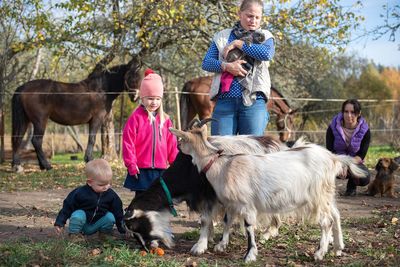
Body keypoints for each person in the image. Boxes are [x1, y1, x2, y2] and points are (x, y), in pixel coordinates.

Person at [202, 0, 275, 136]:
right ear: (239, 14)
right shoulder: (223, 36)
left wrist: (239, 44)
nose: (253, 20)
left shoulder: (265, 36)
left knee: (252, 152)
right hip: (225, 101)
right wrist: (226, 66)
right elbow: (206, 63)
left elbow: (266, 54)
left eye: (257, 17)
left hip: (254, 101)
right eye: (249, 15)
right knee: (221, 150)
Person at [122, 69, 178, 196]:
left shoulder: (166, 120)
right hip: (141, 169)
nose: (154, 102)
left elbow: (172, 145)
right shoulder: (136, 118)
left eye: (158, 99)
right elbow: (128, 143)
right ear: (142, 97)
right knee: (142, 199)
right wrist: (131, 164)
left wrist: (175, 164)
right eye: (150, 98)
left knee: (158, 199)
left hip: (160, 169)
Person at [54, 159, 125, 240]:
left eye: (108, 183)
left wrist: (122, 228)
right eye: (101, 184)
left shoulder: (111, 195)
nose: (106, 187)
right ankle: (74, 235)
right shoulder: (80, 193)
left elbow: (118, 211)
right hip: (83, 224)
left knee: (110, 217)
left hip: (98, 222)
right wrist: (60, 222)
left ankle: (104, 234)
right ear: (90, 182)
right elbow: (67, 207)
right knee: (78, 214)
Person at [326, 99, 371, 196]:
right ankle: (328, 190)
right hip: (336, 160)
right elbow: (330, 152)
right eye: (346, 111)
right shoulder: (332, 127)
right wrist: (341, 164)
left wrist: (347, 164)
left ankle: (351, 186)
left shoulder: (365, 131)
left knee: (365, 177)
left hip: (354, 162)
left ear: (359, 113)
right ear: (342, 112)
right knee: (322, 168)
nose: (349, 115)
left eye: (353, 112)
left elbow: (361, 156)